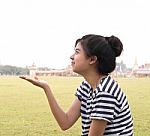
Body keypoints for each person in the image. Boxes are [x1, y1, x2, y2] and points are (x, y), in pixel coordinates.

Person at [20, 34, 133, 136]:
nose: (71, 56)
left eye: (77, 52)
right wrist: (46, 88)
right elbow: (65, 122)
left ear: (92, 59)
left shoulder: (105, 93)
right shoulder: (86, 86)